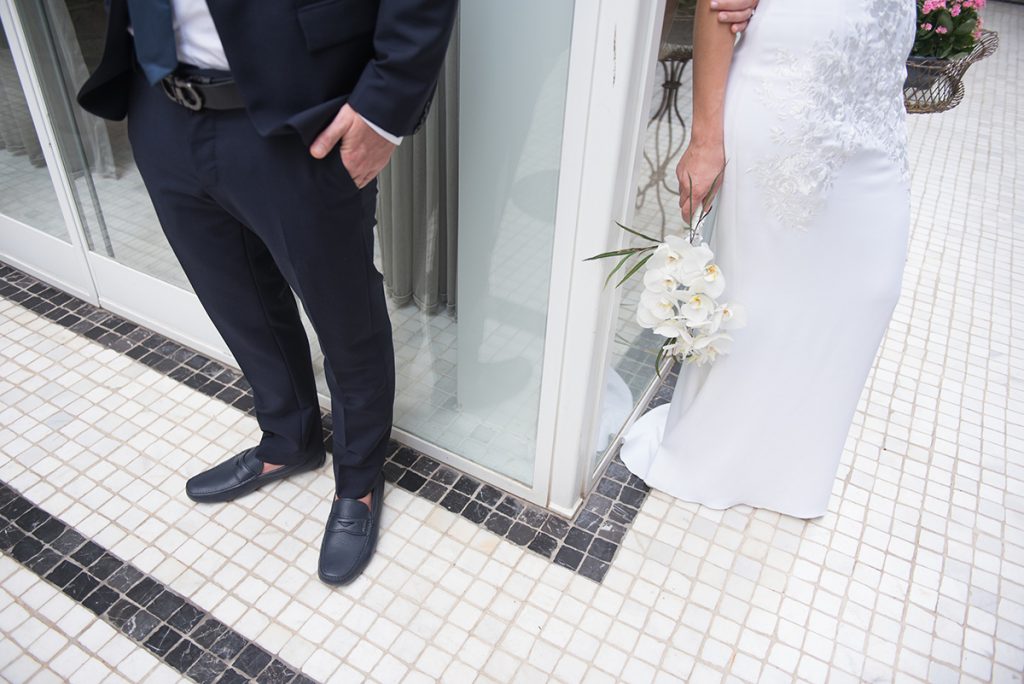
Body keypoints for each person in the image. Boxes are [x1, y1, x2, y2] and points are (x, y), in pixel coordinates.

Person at [76, 0, 458, 585]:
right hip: (160, 104)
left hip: (303, 116)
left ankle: (358, 481)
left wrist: (384, 112)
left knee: (343, 315)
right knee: (236, 300)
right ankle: (288, 438)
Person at [620, 0, 916, 518]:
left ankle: (791, 467)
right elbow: (718, 7)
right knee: (761, 298)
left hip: (875, 111)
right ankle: (721, 458)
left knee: (873, 289)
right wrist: (706, 139)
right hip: (785, 107)